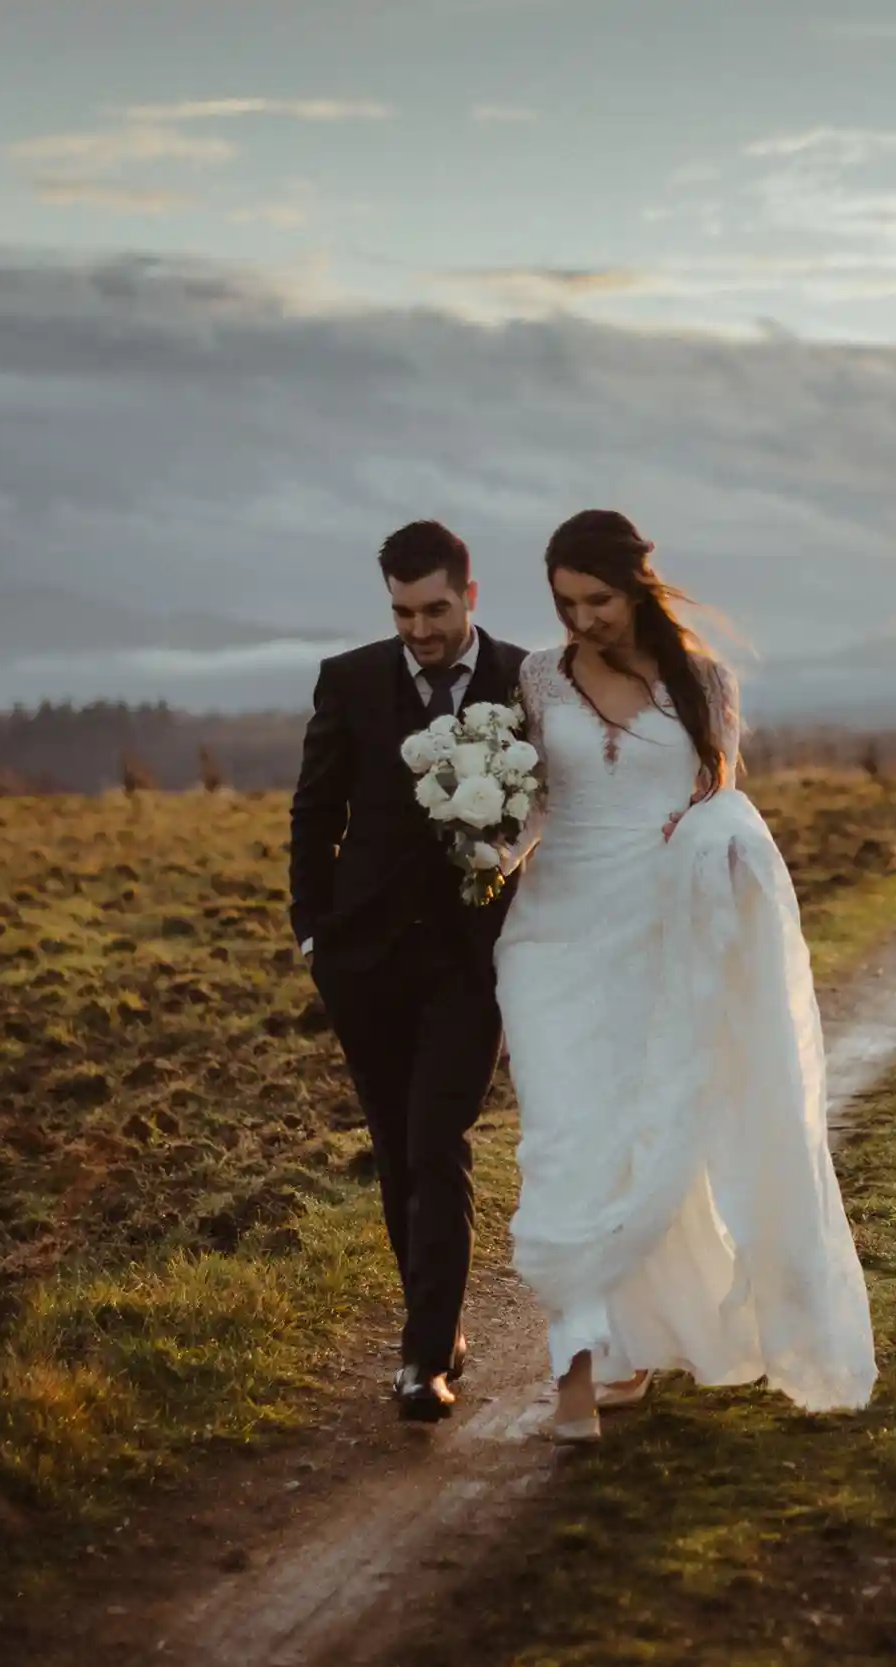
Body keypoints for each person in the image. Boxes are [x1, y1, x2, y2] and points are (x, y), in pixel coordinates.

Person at [498, 508, 876, 1441]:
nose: (579, 619)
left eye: (596, 599)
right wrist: (484, 852)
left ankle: (622, 1348)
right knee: (564, 1138)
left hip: (661, 939)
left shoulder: (702, 682)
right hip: (551, 937)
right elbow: (535, 802)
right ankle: (574, 1375)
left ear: (637, 587)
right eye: (564, 601)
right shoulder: (538, 679)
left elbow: (723, 806)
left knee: (645, 1137)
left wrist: (720, 857)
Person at [289, 520, 524, 1421]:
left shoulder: (522, 680)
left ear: (470, 595)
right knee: (396, 1151)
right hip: (365, 963)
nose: (418, 629)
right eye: (401, 611)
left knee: (436, 1139)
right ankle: (437, 1323)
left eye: (433, 609)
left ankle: (423, 1355)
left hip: (475, 960)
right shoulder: (348, 680)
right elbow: (315, 813)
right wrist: (315, 935)